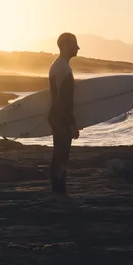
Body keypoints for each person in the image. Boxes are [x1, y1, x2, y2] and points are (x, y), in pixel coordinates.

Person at [48, 32, 80, 201]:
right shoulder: (63, 68)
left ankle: (57, 191)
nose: (78, 48)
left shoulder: (57, 65)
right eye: (75, 44)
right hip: (61, 117)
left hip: (55, 116)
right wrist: (72, 123)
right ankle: (59, 194)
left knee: (58, 155)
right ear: (66, 46)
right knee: (62, 156)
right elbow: (64, 101)